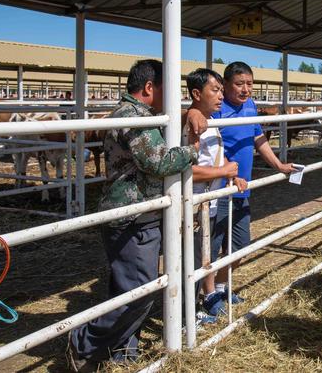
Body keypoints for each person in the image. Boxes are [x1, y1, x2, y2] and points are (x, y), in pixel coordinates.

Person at [66, 60, 207, 371]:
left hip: (139, 212)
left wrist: (191, 113)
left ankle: (122, 353)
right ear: (149, 88)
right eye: (166, 88)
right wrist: (193, 149)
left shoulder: (140, 115)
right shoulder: (133, 116)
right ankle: (83, 342)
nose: (173, 96)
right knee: (138, 292)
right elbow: (158, 162)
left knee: (130, 287)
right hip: (130, 214)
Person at [204, 62, 295, 316]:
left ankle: (222, 285)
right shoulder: (217, 110)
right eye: (239, 84)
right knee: (213, 243)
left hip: (242, 186)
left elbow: (258, 138)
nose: (246, 89)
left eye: (250, 84)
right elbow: (210, 147)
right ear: (226, 85)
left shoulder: (251, 106)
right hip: (219, 188)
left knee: (240, 242)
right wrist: (227, 174)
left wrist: (278, 164)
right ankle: (208, 294)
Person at [185, 68, 247, 322]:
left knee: (202, 257)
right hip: (193, 204)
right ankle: (186, 317)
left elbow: (214, 158)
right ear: (197, 93)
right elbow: (184, 169)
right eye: (215, 90)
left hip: (207, 203)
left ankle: (201, 302)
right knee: (191, 260)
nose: (221, 95)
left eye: (222, 90)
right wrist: (222, 170)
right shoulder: (193, 124)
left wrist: (231, 175)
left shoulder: (211, 122)